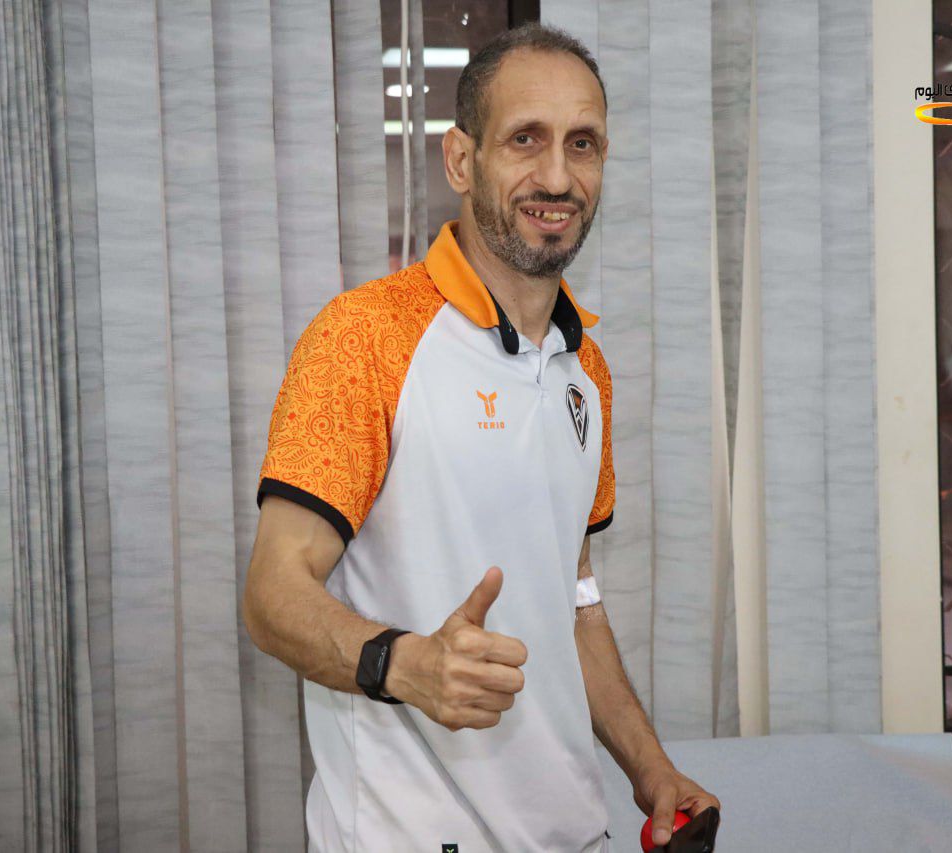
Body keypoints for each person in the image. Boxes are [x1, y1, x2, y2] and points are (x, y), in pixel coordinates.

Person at [243, 22, 721, 851]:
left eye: (582, 144)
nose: (557, 177)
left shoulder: (586, 368)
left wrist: (651, 771)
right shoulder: (365, 338)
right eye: (525, 139)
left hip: (572, 830)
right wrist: (404, 664)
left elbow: (575, 597)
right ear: (461, 160)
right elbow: (271, 592)